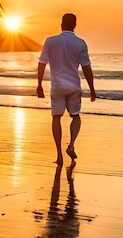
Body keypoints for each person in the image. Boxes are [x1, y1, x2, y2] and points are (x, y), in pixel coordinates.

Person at [37, 13, 96, 165]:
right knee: (75, 116)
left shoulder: (50, 41)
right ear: (75, 25)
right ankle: (70, 145)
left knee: (56, 118)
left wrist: (39, 85)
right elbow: (86, 67)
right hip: (73, 86)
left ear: (61, 24)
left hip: (57, 85)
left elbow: (42, 63)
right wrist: (92, 88)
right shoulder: (80, 43)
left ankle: (59, 156)